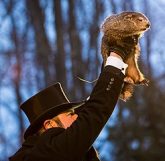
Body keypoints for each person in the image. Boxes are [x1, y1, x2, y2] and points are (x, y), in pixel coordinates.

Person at [9, 52, 128, 161]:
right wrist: (116, 59)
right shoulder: (48, 152)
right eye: (70, 114)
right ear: (50, 124)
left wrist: (108, 76)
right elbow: (93, 115)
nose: (76, 116)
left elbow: (88, 111)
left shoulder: (36, 152)